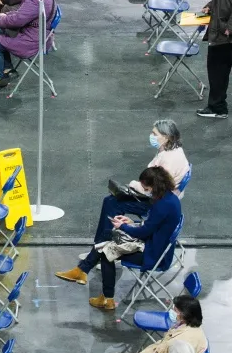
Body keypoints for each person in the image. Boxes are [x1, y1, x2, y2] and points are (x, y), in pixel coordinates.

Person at [60, 121, 188, 286]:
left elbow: (145, 229)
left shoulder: (165, 183)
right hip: (154, 227)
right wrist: (129, 223)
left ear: (167, 137)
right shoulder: (170, 154)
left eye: (155, 134)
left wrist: (124, 225)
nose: (152, 136)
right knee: (111, 204)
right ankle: (89, 263)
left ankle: (94, 258)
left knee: (113, 206)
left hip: (150, 244)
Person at [57, 166, 182, 311]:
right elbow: (152, 226)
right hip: (156, 246)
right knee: (108, 244)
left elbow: (144, 232)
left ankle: (102, 294)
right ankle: (84, 274)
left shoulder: (162, 205)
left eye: (146, 188)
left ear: (155, 185)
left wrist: (122, 227)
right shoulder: (170, 199)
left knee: (106, 253)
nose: (147, 191)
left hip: (153, 254)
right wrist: (130, 222)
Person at [106, 293, 207, 353]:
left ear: (185, 314)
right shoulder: (185, 326)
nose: (171, 312)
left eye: (175, 310)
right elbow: (162, 345)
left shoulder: (184, 340)